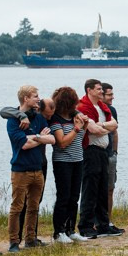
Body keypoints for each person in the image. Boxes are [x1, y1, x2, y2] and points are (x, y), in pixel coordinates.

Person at [6, 85, 53, 252]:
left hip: (37, 169)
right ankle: (13, 242)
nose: (38, 99)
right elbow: (24, 145)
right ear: (26, 98)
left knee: (34, 206)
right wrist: (41, 137)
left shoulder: (38, 117)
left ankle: (31, 239)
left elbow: (52, 139)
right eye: (35, 96)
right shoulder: (13, 120)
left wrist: (36, 137)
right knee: (17, 207)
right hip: (20, 170)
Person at [77, 79, 123, 238]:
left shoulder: (103, 107)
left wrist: (101, 126)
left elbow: (114, 125)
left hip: (104, 150)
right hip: (90, 151)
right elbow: (92, 130)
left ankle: (103, 224)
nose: (101, 92)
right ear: (89, 90)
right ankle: (86, 226)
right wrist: (103, 127)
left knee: (103, 188)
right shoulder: (83, 107)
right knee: (90, 188)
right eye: (98, 89)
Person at [49, 86, 89, 243]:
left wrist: (83, 126)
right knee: (63, 197)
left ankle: (70, 229)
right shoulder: (55, 120)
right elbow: (62, 143)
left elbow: (80, 137)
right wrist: (77, 129)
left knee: (74, 197)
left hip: (78, 160)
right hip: (62, 162)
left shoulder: (75, 117)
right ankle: (59, 232)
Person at [101, 83, 119, 228]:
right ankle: (97, 220)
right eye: (109, 94)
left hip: (110, 154)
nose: (112, 97)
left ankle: (108, 220)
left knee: (110, 189)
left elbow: (115, 131)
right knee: (97, 189)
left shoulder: (112, 110)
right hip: (98, 154)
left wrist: (115, 152)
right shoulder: (95, 110)